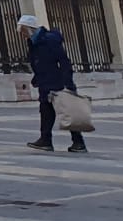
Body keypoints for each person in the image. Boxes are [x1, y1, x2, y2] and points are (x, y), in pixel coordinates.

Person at [18, 13, 87, 153]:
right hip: (45, 81)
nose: (22, 35)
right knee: (46, 110)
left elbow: (63, 61)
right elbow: (40, 62)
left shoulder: (48, 40)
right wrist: (37, 77)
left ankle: (78, 142)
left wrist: (67, 83)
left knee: (66, 111)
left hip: (57, 82)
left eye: (23, 31)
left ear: (29, 29)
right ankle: (46, 140)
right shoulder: (34, 42)